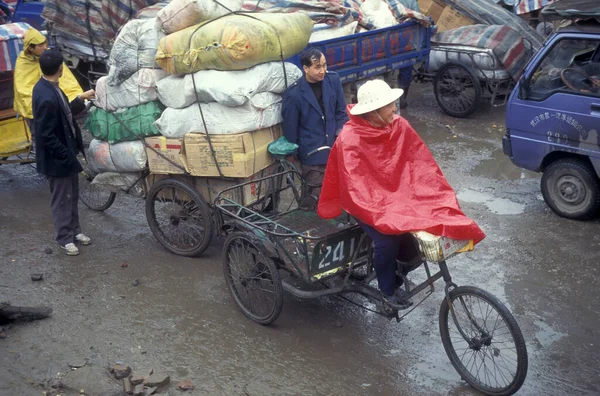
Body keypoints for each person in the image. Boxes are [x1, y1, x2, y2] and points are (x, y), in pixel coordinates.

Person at [317, 80, 486, 311]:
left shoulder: (400, 125)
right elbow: (356, 188)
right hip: (364, 204)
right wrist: (387, 209)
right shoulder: (349, 139)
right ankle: (387, 291)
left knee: (430, 224)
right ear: (373, 111)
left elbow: (420, 165)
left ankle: (397, 272)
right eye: (389, 105)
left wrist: (424, 195)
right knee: (387, 240)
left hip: (396, 196)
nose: (395, 108)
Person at [32, 49, 95, 256]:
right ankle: (64, 238)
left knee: (73, 195)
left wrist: (80, 99)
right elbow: (45, 135)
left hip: (66, 152)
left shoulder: (50, 87)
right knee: (61, 199)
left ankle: (75, 231)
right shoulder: (46, 96)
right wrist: (66, 155)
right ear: (60, 69)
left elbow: (64, 112)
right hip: (57, 159)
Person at [281, 48, 348, 201]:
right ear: (305, 68)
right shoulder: (294, 94)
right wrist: (295, 154)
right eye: (317, 67)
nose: (322, 71)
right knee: (316, 197)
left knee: (339, 196)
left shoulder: (333, 80)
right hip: (312, 155)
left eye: (324, 65)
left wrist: (339, 133)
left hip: (335, 149)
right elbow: (290, 129)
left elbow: (341, 112)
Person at [13, 28, 83, 149]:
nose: (45, 47)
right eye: (40, 45)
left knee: (63, 133)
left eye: (45, 43)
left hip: (53, 100)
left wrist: (76, 96)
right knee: (40, 136)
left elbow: (66, 78)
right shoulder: (23, 62)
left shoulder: (49, 56)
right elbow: (23, 88)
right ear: (30, 48)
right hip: (36, 105)